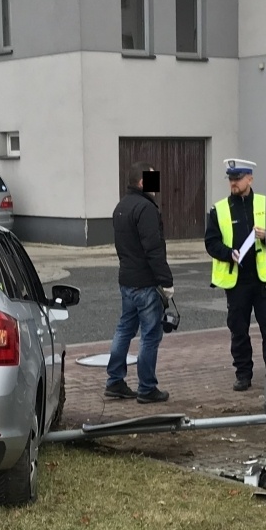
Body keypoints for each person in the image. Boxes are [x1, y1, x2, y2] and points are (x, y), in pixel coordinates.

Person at [205, 158, 266, 392]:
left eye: (238, 179)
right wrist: (229, 254)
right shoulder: (220, 209)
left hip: (262, 279)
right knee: (238, 329)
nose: (233, 183)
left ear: (250, 179)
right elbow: (211, 243)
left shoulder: (265, 204)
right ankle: (243, 374)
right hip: (236, 280)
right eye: (231, 179)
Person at [105, 162, 173, 404]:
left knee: (124, 329)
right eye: (152, 179)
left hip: (127, 280)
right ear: (142, 182)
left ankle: (114, 381)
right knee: (150, 335)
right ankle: (146, 387)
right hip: (146, 283)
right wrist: (166, 282)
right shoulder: (146, 209)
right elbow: (153, 248)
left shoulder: (120, 207)